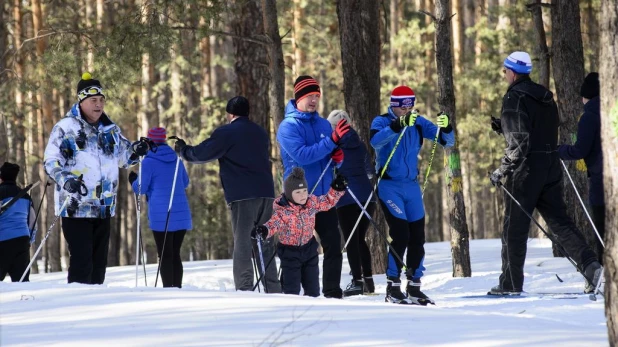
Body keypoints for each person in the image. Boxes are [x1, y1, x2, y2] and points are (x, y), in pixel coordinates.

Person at [489, 51, 602, 295]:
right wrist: (504, 127)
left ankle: (509, 284)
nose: (504, 74)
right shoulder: (545, 96)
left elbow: (520, 144)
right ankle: (592, 267)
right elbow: (537, 132)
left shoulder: (514, 97)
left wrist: (502, 170)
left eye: (505, 70)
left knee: (514, 228)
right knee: (560, 223)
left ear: (512, 71)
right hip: (550, 166)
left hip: (526, 170)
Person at [43, 73, 146, 284]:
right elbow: (51, 161)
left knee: (99, 265)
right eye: (93, 101)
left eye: (101, 100)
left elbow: (125, 158)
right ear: (81, 102)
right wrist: (66, 180)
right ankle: (79, 307)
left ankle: (97, 304)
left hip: (103, 207)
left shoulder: (111, 130)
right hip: (76, 206)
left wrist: (138, 150)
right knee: (83, 263)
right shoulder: (66, 128)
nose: (98, 105)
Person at [174, 96, 281, 293]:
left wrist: (184, 150)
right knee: (265, 241)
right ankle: (274, 288)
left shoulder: (227, 133)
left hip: (242, 195)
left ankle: (244, 288)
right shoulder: (260, 132)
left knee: (242, 242)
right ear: (247, 112)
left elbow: (203, 153)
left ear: (230, 114)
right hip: (266, 193)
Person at [370, 86, 454, 304]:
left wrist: (447, 128)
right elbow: (375, 141)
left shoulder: (418, 122)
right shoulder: (381, 121)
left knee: (418, 236)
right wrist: (396, 126)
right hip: (389, 186)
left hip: (411, 187)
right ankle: (393, 286)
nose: (408, 110)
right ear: (395, 105)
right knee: (401, 234)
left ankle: (415, 287)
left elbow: (447, 141)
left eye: (411, 105)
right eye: (403, 106)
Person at [277, 75, 350, 299]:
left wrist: (337, 157)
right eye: (309, 96)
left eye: (317, 96)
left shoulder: (322, 124)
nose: (314, 101)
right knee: (299, 249)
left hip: (323, 197)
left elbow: (331, 157)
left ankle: (332, 292)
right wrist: (331, 141)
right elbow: (303, 156)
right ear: (298, 97)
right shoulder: (288, 126)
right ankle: (291, 294)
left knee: (333, 246)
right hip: (299, 199)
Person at [252, 167, 347, 297]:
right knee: (292, 289)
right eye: (298, 192)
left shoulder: (311, 203)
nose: (303, 195)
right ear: (289, 194)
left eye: (304, 191)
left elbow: (327, 202)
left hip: (309, 250)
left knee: (313, 289)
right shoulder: (283, 210)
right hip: (290, 254)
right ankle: (291, 310)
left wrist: (336, 189)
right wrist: (264, 230)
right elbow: (273, 223)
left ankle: (312, 311)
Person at [129, 127, 192, 288]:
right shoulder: (177, 159)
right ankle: (176, 288)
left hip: (161, 214)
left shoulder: (149, 162)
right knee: (175, 254)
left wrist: (133, 180)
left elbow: (141, 189)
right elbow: (185, 183)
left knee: (164, 254)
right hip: (181, 213)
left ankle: (168, 290)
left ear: (149, 142)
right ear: (164, 141)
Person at [326, 110, 376, 296]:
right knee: (359, 238)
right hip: (367, 197)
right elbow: (369, 171)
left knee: (351, 239)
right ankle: (368, 281)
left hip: (347, 198)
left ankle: (357, 281)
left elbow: (330, 170)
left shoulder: (334, 146)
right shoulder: (360, 143)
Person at [557, 72, 604, 265]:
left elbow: (580, 149)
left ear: (587, 96)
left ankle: (606, 269)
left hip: (601, 180)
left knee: (602, 229)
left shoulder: (589, 116)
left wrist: (560, 150)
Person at [0, 162, 36, 282]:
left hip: (2, 241)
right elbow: (32, 221)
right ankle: (25, 300)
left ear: (1, 177)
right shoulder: (26, 196)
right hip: (22, 240)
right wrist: (30, 239)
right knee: (22, 281)